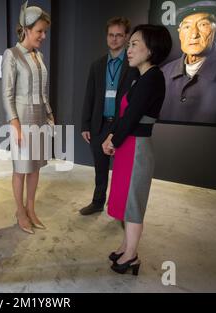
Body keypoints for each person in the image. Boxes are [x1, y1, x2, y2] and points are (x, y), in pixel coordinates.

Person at [102, 24, 172, 275]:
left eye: (133, 44)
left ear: (151, 49)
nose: (128, 49)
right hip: (128, 146)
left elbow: (131, 117)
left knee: (133, 204)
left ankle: (131, 256)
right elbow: (125, 116)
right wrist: (113, 137)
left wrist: (113, 140)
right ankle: (125, 246)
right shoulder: (141, 77)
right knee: (124, 198)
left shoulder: (153, 77)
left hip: (137, 148)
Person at [2, 1, 53, 234]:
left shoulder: (38, 56)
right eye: (39, 31)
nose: (43, 36)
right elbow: (7, 93)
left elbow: (43, 91)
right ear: (26, 29)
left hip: (40, 118)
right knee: (21, 168)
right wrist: (15, 125)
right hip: (22, 118)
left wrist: (50, 115)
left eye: (45, 31)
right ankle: (20, 211)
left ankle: (31, 209)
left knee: (35, 167)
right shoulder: (11, 55)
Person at [80, 17, 139, 216]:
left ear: (126, 37)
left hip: (122, 125)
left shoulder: (133, 65)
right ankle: (97, 202)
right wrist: (85, 124)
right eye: (111, 35)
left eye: (119, 35)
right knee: (100, 169)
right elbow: (89, 96)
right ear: (107, 37)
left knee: (123, 172)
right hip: (100, 124)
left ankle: (121, 208)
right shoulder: (97, 65)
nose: (114, 39)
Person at [160, 1, 216, 126]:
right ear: (179, 32)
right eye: (187, 27)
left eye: (203, 24)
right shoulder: (164, 72)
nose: (194, 34)